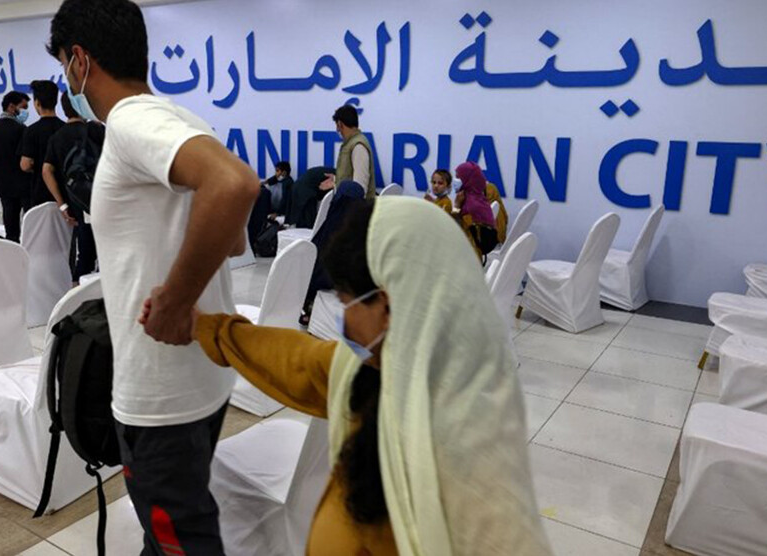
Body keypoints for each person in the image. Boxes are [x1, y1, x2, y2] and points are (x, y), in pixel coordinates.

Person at [154, 197, 551, 555]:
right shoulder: (383, 372)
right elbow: (298, 361)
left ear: (389, 305)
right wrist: (206, 328)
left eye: (347, 303)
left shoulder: (471, 460)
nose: (343, 320)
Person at [47, 1, 259, 554]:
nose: (66, 78)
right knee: (166, 535)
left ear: (79, 61)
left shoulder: (130, 123)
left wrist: (174, 299)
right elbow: (236, 240)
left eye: (63, 65)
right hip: (203, 377)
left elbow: (234, 185)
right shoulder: (183, 119)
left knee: (181, 541)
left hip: (161, 392)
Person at [42, 91, 103, 281]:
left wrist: (62, 205)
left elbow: (46, 171)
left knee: (84, 255)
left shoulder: (57, 137)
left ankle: (78, 292)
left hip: (78, 202)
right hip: (103, 199)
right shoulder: (97, 130)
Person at [302, 180, 366, 323]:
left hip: (331, 282)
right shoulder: (363, 225)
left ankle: (309, 307)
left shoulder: (332, 227)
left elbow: (317, 265)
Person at [0, 90, 33, 241]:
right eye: (23, 107)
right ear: (12, 106)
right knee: (30, 226)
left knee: (11, 227)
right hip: (24, 184)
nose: (25, 112)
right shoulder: (22, 130)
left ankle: (11, 250)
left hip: (3, 184)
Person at [20, 80, 65, 207]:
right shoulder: (65, 128)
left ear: (37, 103)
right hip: (65, 192)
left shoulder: (31, 131)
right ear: (56, 102)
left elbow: (25, 165)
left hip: (40, 193)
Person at [321, 105, 376, 198]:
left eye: (337, 126)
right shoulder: (353, 143)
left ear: (340, 124)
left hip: (355, 206)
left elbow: (360, 188)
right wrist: (336, 180)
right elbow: (351, 177)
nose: (337, 130)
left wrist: (336, 186)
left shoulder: (358, 147)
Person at [454, 161, 498, 259]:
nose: (455, 181)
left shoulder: (471, 205)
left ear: (467, 180)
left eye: (458, 177)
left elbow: (455, 227)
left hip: (470, 255)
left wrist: (456, 206)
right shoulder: (478, 197)